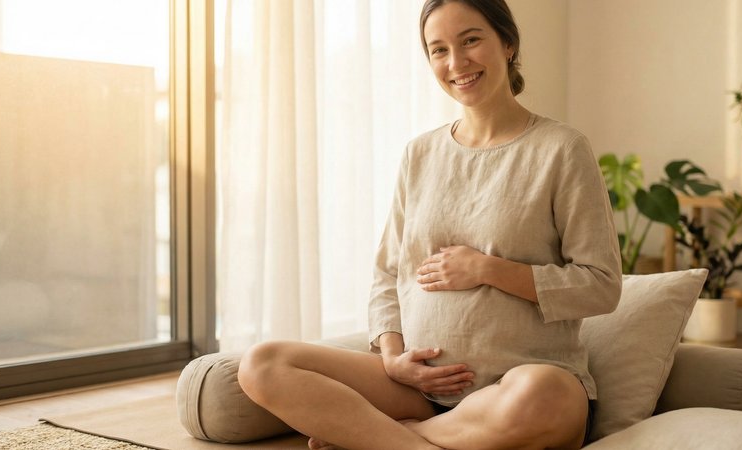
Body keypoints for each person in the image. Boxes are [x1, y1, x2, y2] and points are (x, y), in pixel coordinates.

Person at [237, 0, 622, 449]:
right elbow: (387, 272)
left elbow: (601, 285)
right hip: (418, 391)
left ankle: (382, 439)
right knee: (262, 363)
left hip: (519, 388)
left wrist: (487, 269)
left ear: (508, 43)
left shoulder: (561, 149)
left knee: (546, 397)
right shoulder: (419, 154)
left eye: (471, 40)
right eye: (438, 50)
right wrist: (393, 356)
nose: (456, 63)